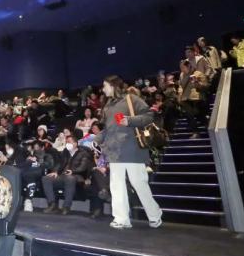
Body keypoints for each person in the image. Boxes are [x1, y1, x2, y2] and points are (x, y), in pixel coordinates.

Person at [95, 75, 162, 229]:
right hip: (115, 151)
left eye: (105, 86)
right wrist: (96, 140)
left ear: (113, 86)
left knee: (139, 184)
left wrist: (129, 120)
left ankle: (155, 215)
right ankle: (121, 218)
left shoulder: (131, 99)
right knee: (116, 186)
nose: (103, 89)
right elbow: (107, 129)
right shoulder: (108, 106)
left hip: (132, 150)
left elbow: (149, 116)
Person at [41, 136, 93, 215]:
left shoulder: (83, 153)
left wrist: (73, 171)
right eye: (66, 142)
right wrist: (55, 172)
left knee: (70, 178)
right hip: (63, 175)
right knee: (46, 178)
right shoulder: (65, 152)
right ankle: (52, 204)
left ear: (75, 143)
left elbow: (83, 167)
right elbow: (59, 164)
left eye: (69, 142)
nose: (67, 144)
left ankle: (66, 206)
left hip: (76, 176)